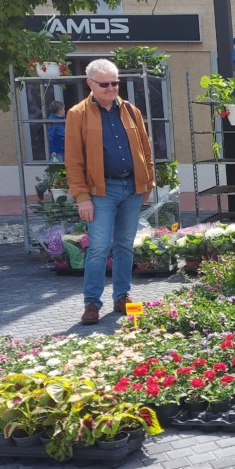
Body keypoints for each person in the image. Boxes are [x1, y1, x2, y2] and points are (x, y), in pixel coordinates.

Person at [65, 58, 155, 325]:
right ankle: (92, 304)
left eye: (115, 83)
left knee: (125, 245)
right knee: (99, 248)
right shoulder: (77, 114)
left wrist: (148, 183)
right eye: (104, 84)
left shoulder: (131, 111)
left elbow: (146, 150)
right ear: (90, 84)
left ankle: (122, 296)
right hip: (101, 191)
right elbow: (73, 160)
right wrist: (82, 196)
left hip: (132, 188)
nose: (111, 88)